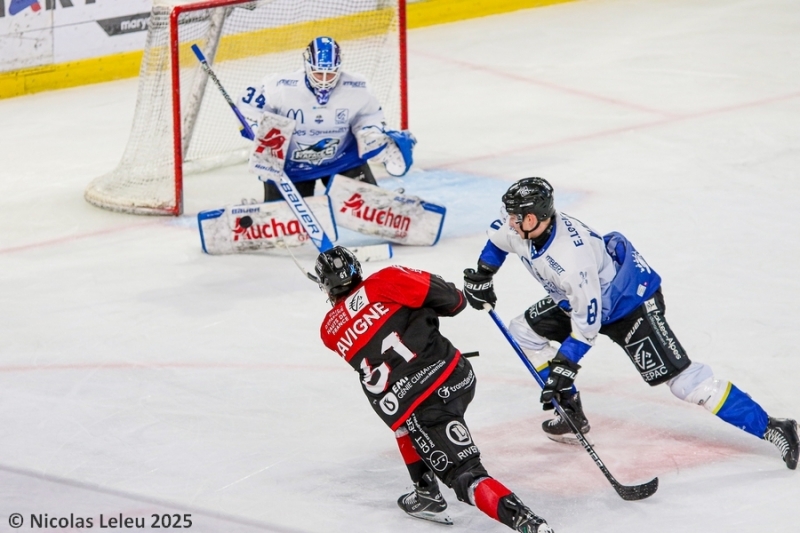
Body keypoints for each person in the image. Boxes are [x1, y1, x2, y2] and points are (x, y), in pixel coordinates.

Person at [462, 177, 799, 470]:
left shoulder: (570, 260)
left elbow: (587, 325)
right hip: (583, 301)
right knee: (524, 330)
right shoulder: (524, 229)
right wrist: (482, 275)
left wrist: (564, 366)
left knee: (686, 383)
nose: (509, 221)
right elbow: (497, 242)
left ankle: (773, 427)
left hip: (630, 305)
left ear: (533, 217)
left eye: (515, 216)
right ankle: (571, 413)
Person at [316, 246, 553, 533]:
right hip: (456, 374)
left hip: (423, 406)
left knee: (465, 476)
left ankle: (530, 524)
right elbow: (454, 302)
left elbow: (365, 325)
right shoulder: (386, 280)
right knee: (401, 415)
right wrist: (420, 310)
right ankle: (426, 493)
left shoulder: (328, 330)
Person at [239, 36, 414, 202]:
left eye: (330, 74)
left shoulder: (358, 87)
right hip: (291, 167)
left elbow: (369, 116)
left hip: (342, 161)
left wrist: (370, 132)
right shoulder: (280, 86)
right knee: (284, 224)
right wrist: (258, 130)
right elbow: (247, 106)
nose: (324, 81)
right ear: (307, 67)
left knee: (372, 208)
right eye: (318, 73)